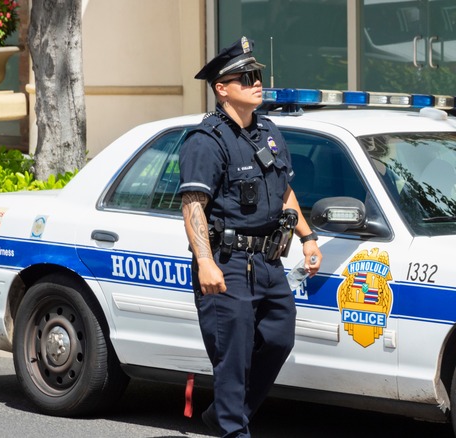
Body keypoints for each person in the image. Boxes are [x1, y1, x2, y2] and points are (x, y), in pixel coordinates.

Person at [178, 36, 322, 438]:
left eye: (257, 75)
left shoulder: (268, 131)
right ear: (222, 89)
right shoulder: (206, 141)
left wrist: (308, 237)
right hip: (228, 262)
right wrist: (205, 262)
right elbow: (193, 206)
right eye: (245, 77)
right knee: (233, 356)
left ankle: (225, 414)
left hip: (268, 262)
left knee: (279, 338)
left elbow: (284, 190)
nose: (256, 82)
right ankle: (232, 429)